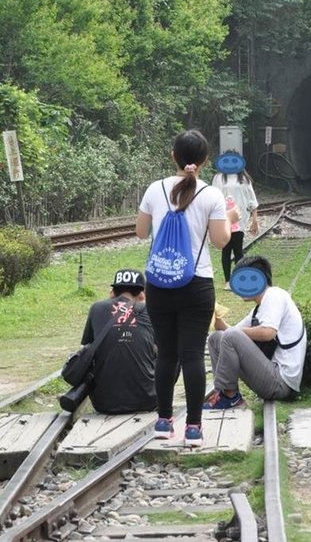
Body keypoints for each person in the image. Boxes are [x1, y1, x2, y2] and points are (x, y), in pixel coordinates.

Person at [136, 129, 233, 446]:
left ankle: (163, 422)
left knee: (165, 354)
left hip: (159, 283)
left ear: (173, 157)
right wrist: (229, 218)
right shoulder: (211, 195)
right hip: (197, 284)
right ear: (204, 161)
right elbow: (220, 242)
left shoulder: (155, 189)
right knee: (192, 356)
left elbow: (140, 232)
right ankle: (193, 427)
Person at [203, 254, 306, 410]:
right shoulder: (260, 307)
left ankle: (230, 397)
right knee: (216, 338)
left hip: (281, 382)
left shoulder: (275, 295)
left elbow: (268, 333)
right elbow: (232, 333)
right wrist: (217, 320)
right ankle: (224, 393)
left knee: (230, 336)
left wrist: (234, 333)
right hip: (270, 374)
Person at [78, 268, 157, 415]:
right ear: (142, 295)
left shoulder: (97, 308)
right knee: (171, 352)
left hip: (103, 403)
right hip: (147, 400)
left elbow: (86, 346)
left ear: (112, 293)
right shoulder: (151, 309)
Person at [211, 158, 259, 290]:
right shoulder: (218, 178)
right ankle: (227, 280)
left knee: (238, 250)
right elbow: (212, 197)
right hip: (223, 218)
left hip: (239, 219)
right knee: (226, 250)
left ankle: (238, 279)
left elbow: (252, 200)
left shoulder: (244, 178)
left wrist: (255, 220)